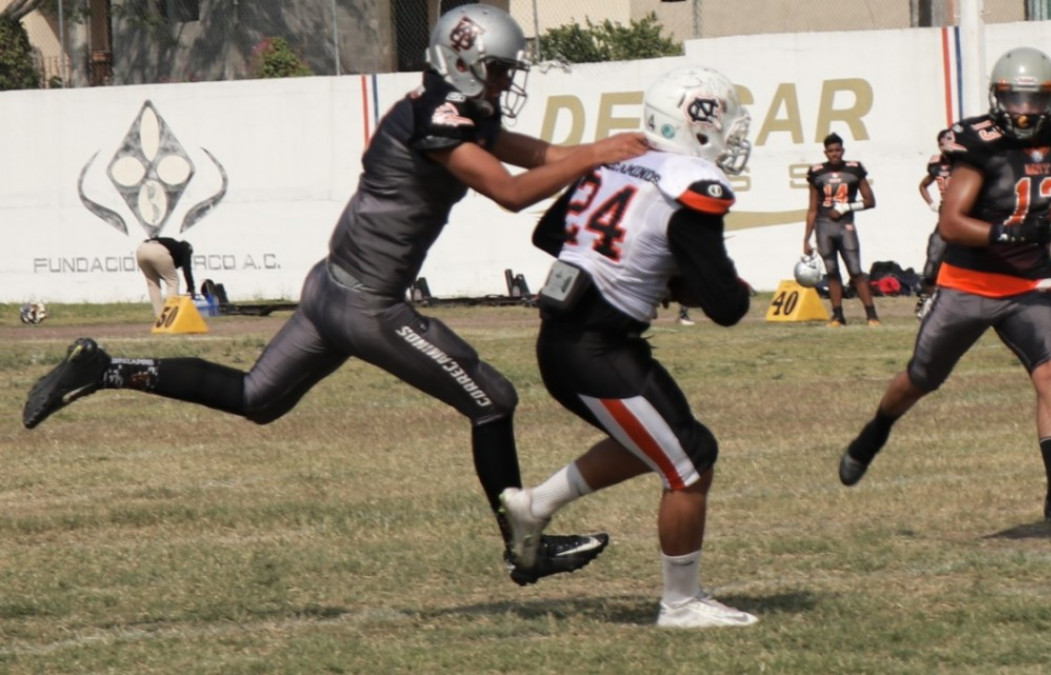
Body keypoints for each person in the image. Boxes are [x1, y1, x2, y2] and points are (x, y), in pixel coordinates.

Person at [22, 4, 648, 586]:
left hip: (330, 288)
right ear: (464, 65)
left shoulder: (446, 106)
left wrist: (625, 158)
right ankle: (524, 548)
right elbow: (514, 193)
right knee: (494, 399)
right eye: (500, 68)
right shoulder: (441, 121)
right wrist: (597, 153)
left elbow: (547, 156)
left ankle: (109, 368)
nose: (506, 80)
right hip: (367, 305)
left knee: (255, 398)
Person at [499, 65, 758, 628]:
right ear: (700, 121)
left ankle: (534, 505)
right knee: (690, 464)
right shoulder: (691, 183)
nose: (734, 136)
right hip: (596, 349)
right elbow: (726, 307)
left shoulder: (618, 160)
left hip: (572, 338)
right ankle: (681, 604)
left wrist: (640, 267)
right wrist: (704, 281)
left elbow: (550, 235)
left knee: (670, 444)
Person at [836, 47, 1051, 525]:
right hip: (968, 285)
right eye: (1015, 99)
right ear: (997, 99)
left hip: (1027, 287)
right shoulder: (980, 146)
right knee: (921, 378)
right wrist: (1003, 231)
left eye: (1036, 101)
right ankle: (875, 431)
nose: (1025, 111)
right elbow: (952, 224)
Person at [803, 132, 879, 327]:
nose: (834, 154)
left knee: (855, 270)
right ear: (825, 152)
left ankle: (871, 315)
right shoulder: (817, 172)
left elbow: (870, 201)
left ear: (842, 150)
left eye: (837, 150)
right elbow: (812, 208)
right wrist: (806, 238)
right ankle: (837, 315)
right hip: (823, 225)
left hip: (845, 225)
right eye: (830, 151)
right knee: (831, 271)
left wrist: (846, 207)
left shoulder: (854, 169)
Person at [914, 130, 954, 319]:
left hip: (967, 218)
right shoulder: (936, 164)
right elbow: (923, 185)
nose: (947, 147)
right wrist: (931, 203)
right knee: (932, 262)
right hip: (945, 219)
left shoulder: (967, 161)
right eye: (943, 143)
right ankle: (927, 302)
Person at [136, 236, 196, 318]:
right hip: (157, 250)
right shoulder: (186, 248)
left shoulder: (173, 246)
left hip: (141, 249)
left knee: (152, 284)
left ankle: (160, 317)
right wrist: (191, 288)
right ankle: (170, 316)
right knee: (173, 281)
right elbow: (187, 269)